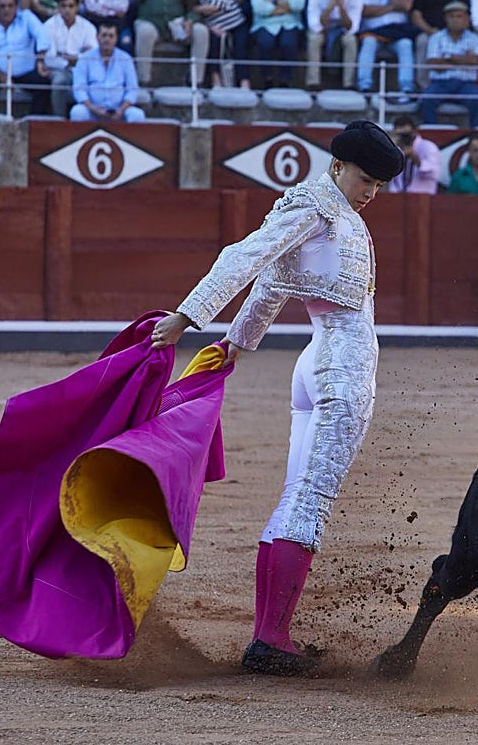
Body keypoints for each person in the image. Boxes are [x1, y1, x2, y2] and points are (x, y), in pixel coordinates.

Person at [149, 120, 404, 678]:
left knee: (298, 494)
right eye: (366, 179)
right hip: (342, 367)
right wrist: (188, 317)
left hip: (315, 363)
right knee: (310, 500)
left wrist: (238, 341)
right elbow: (245, 256)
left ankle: (272, 633)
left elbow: (273, 281)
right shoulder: (318, 209)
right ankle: (270, 639)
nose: (371, 193)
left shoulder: (325, 210)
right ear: (338, 166)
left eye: (380, 185)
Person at [355, 0, 415, 102]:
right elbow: (364, 10)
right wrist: (392, 6)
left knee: (406, 45)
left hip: (397, 32)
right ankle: (365, 85)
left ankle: (406, 89)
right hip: (373, 31)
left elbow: (407, 5)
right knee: (368, 43)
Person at [185, 0, 246, 89]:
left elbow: (216, 7)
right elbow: (201, 17)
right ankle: (216, 81)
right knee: (212, 42)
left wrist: (196, 9)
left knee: (241, 46)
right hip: (215, 27)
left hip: (235, 24)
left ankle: (244, 83)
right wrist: (210, 26)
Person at [420, 0, 478, 127]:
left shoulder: (474, 38)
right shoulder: (436, 37)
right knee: (426, 99)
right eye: (451, 16)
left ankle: (475, 136)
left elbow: (475, 61)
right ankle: (433, 134)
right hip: (440, 83)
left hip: (466, 84)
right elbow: (434, 64)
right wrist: (463, 58)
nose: (455, 20)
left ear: (467, 19)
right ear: (445, 19)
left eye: (459, 16)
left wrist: (448, 57)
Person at [409, 0, 468, 88]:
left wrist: (453, 33)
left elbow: (465, 15)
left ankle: (457, 85)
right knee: (423, 41)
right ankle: (424, 86)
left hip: (454, 33)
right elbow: (416, 15)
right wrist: (430, 31)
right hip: (429, 30)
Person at [249, 0, 304, 90]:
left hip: (290, 23)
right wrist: (283, 8)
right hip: (264, 24)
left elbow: (300, 4)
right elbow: (258, 7)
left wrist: (275, 4)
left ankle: (286, 80)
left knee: (289, 43)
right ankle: (267, 78)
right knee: (265, 42)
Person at [69, 20, 143, 122]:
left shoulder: (125, 59)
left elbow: (132, 89)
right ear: (97, 37)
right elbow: (79, 89)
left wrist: (121, 110)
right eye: (104, 35)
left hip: (119, 110)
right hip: (93, 110)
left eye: (111, 36)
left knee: (137, 115)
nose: (107, 39)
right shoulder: (85, 59)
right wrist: (93, 108)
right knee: (77, 112)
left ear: (116, 39)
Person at [304, 0, 360, 91]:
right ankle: (313, 83)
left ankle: (348, 83)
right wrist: (330, 7)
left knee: (350, 40)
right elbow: (315, 25)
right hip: (323, 30)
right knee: (314, 39)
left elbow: (351, 27)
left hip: (342, 31)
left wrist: (341, 8)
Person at [42, 0, 94, 116]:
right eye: (63, 6)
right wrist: (72, 60)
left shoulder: (88, 27)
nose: (67, 10)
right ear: (58, 8)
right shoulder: (48, 26)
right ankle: (58, 118)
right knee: (59, 82)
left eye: (71, 6)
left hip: (82, 69)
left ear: (77, 7)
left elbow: (93, 55)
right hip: (58, 70)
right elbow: (49, 58)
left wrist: (75, 59)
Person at [385, 115, 440, 194]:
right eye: (400, 135)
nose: (403, 137)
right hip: (396, 195)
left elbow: (433, 174)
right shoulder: (395, 148)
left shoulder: (428, 147)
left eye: (406, 134)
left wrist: (414, 156)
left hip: (421, 196)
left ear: (414, 131)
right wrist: (388, 148)